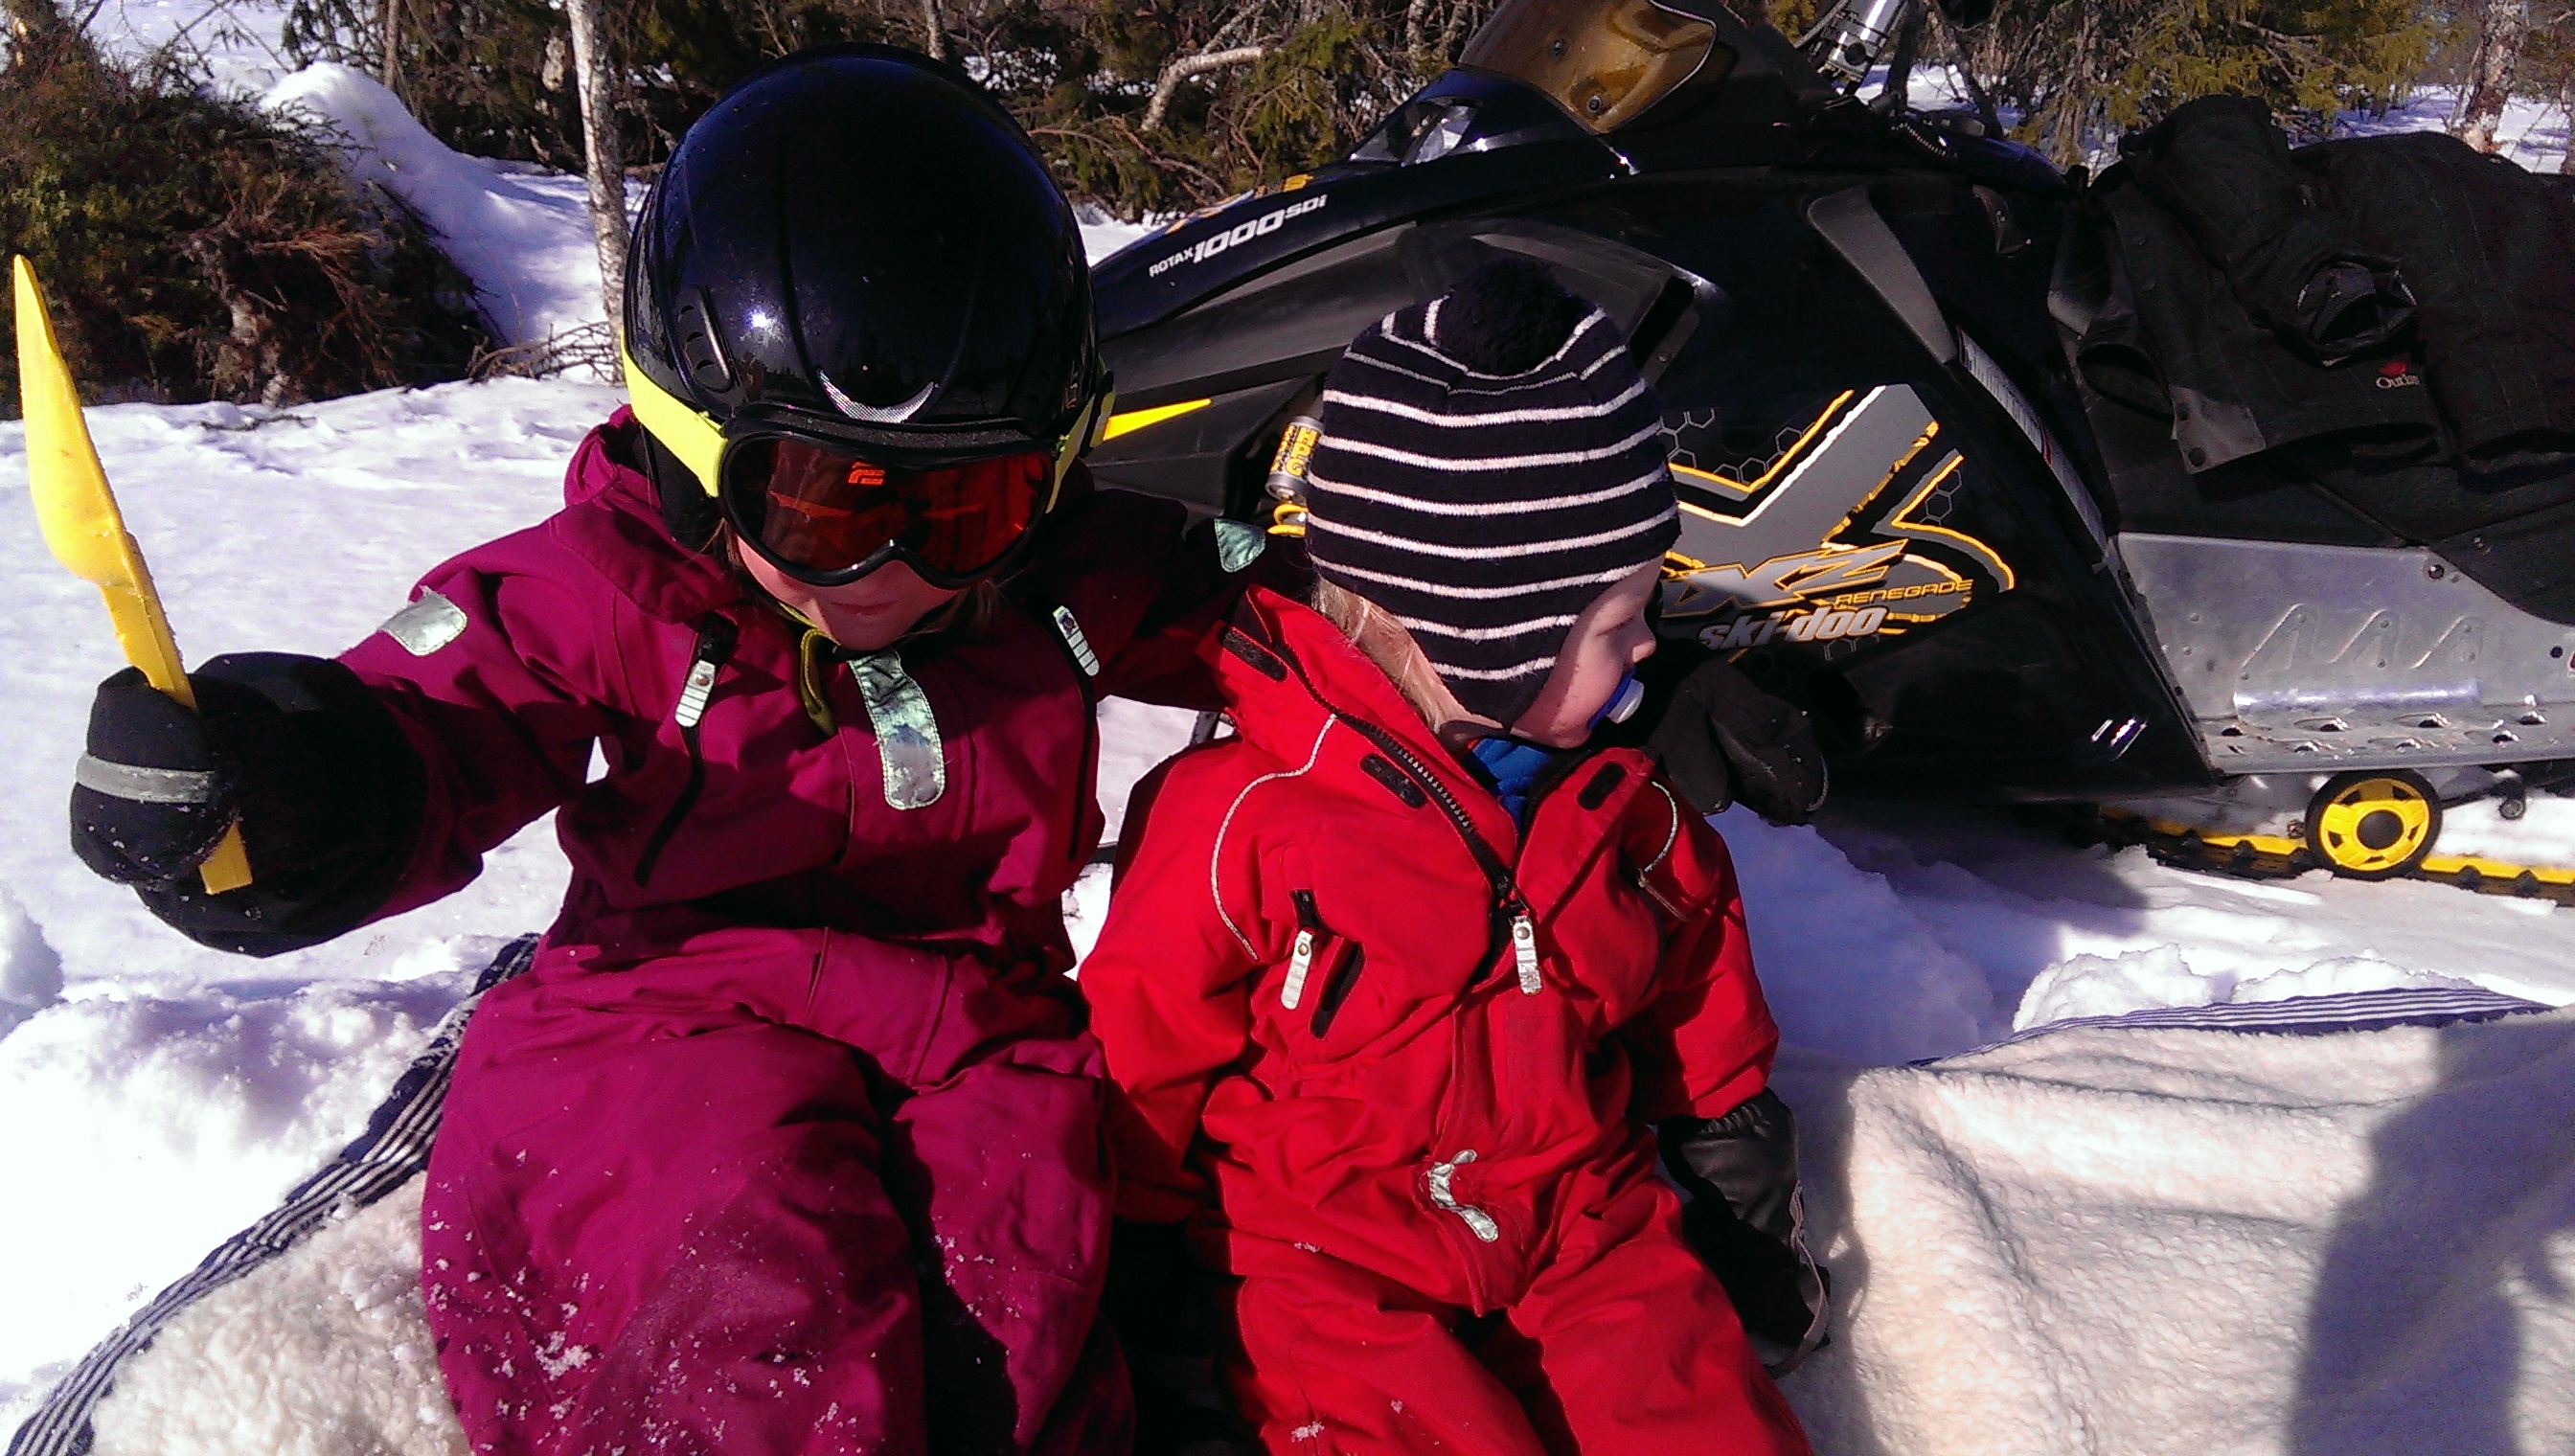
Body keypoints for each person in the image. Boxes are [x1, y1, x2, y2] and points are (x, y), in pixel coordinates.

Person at [63, 45, 1284, 1456]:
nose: (890, 566)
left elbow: (1280, 613)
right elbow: (442, 713)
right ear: (692, 451)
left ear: (1054, 474)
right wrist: (281, 782)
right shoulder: (619, 587)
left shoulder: (1060, 582)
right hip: (671, 1016)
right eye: (822, 505)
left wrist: (1413, 589)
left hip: (972, 1039)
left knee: (1014, 1323)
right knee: (754, 1300)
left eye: (968, 505)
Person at [1080, 259, 1822, 1456]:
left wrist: (1733, 1148)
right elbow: (1145, 1037)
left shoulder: (1619, 803)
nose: (1650, 650)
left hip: (1581, 1221)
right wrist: (1139, 1251)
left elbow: (1695, 971)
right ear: (1484, 635)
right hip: (1321, 1252)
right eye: (1616, 622)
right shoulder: (1246, 815)